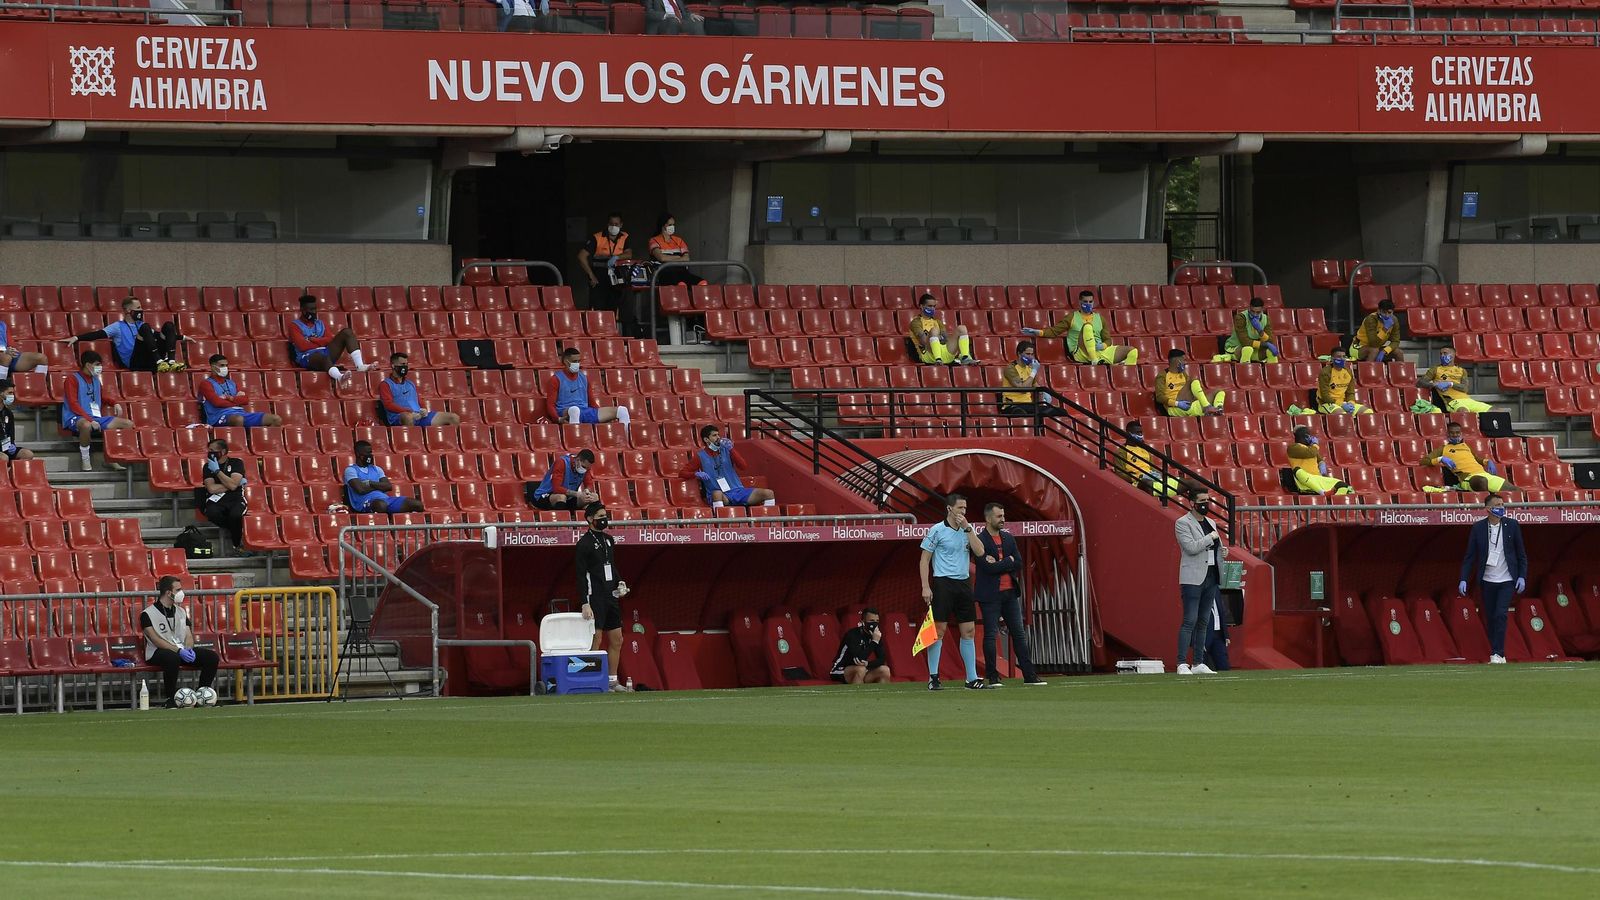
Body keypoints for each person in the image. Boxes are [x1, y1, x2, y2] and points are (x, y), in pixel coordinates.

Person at [918, 493, 988, 691]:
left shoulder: (968, 529)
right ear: (949, 509)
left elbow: (981, 552)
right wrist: (925, 586)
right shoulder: (937, 530)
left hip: (964, 583)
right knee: (938, 631)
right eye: (960, 508)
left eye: (965, 509)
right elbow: (924, 559)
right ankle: (933, 677)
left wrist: (968, 528)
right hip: (943, 583)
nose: (963, 512)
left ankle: (971, 678)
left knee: (969, 631)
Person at [974, 502, 1044, 687]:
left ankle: (1029, 675)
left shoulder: (1009, 538)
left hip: (1010, 593)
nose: (1003, 519)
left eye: (1003, 516)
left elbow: (1019, 562)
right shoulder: (980, 540)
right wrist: (1007, 562)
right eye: (999, 516)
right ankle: (993, 676)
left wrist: (1000, 562)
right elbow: (986, 567)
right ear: (988, 519)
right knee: (990, 635)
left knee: (1019, 634)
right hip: (990, 595)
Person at [1458, 493, 1528, 665]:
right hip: (1487, 580)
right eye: (1498, 504)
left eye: (1503, 504)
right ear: (1488, 509)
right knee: (1490, 616)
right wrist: (1464, 578)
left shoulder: (1512, 525)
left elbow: (1521, 555)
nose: (1501, 507)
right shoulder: (1478, 528)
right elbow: (1470, 556)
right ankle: (1495, 650)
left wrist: (1521, 576)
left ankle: (1499, 653)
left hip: (1507, 579)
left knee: (1501, 614)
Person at [576, 501, 632, 693]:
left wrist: (620, 582)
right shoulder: (583, 544)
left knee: (617, 638)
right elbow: (581, 575)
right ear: (590, 519)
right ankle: (591, 681)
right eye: (600, 516)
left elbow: (611, 566)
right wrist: (585, 602)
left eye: (605, 516)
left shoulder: (609, 540)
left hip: (611, 595)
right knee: (596, 639)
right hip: (595, 597)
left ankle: (612, 681)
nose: (604, 519)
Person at [141, 576, 219, 708]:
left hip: (180, 650)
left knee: (211, 657)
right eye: (178, 590)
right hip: (157, 652)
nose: (181, 593)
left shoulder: (181, 611)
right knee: (172, 658)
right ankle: (171, 698)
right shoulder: (147, 614)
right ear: (168, 593)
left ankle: (202, 695)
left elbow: (188, 634)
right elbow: (155, 639)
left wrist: (188, 649)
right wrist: (178, 651)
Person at [1173, 487, 1223, 675]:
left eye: (1207, 501)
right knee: (1190, 620)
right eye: (1202, 501)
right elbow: (1191, 547)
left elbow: (1216, 545)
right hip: (1193, 577)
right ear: (1192, 503)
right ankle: (1181, 662)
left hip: (1211, 574)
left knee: (1204, 620)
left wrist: (1221, 551)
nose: (1205, 505)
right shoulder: (1182, 523)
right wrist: (1210, 538)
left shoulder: (1210, 522)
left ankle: (1198, 663)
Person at [63, 296, 184, 373]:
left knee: (169, 325)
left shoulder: (140, 324)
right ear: (127, 310)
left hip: (148, 360)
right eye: (138, 307)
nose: (141, 310)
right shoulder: (117, 326)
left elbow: (158, 335)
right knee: (145, 327)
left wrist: (182, 337)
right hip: (135, 363)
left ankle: (171, 362)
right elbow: (98, 334)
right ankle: (160, 362)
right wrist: (76, 337)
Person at [1022, 290, 1137, 366]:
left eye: (1090, 302)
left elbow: (1108, 339)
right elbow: (1054, 331)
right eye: (1085, 302)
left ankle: (1123, 378)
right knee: (1087, 326)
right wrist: (1037, 332)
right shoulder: (1072, 317)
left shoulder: (1100, 318)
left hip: (1100, 351)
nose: (1088, 304)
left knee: (1132, 351)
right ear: (1080, 302)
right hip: (1081, 353)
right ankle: (1094, 361)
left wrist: (1103, 345)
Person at [61, 351, 132, 472]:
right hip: (75, 417)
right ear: (88, 365)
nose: (100, 367)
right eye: (97, 364)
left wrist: (115, 403)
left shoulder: (96, 380)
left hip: (95, 417)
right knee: (85, 425)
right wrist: (90, 420)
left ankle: (110, 458)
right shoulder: (72, 379)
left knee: (128, 424)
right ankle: (85, 459)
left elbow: (102, 396)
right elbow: (73, 404)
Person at [290, 294, 371, 384]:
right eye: (311, 309)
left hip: (325, 351)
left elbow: (329, 340)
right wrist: (322, 341)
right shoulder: (294, 326)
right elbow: (303, 346)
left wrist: (313, 340)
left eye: (315, 309)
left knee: (347, 332)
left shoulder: (320, 323)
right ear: (303, 310)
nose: (314, 312)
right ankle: (340, 377)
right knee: (322, 356)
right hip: (307, 357)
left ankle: (359, 366)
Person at [544, 347, 632, 427]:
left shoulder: (584, 378)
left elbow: (592, 403)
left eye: (579, 361)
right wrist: (557, 419)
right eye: (575, 361)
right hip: (566, 411)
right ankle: (575, 441)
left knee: (622, 410)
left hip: (585, 411)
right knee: (575, 410)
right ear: (566, 362)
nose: (577, 364)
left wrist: (601, 416)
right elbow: (550, 405)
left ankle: (627, 441)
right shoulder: (555, 379)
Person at [695, 424, 775, 509]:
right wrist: (696, 474)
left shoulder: (727, 450)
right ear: (706, 439)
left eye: (718, 435)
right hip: (721, 494)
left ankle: (767, 521)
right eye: (714, 435)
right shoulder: (700, 456)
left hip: (737, 491)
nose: (718, 437)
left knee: (768, 493)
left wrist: (731, 449)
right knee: (716, 494)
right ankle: (720, 521)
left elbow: (743, 466)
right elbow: (683, 473)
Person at [1426, 420, 1516, 494]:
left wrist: (1487, 461)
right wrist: (1440, 459)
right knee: (1482, 481)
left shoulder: (1466, 446)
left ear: (1461, 433)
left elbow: (1477, 459)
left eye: (1457, 432)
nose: (1455, 435)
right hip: (1468, 478)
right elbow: (1424, 461)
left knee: (1514, 490)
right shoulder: (1443, 449)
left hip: (1484, 474)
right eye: (1452, 433)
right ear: (1447, 434)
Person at [577, 213, 633, 331]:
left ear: (621, 225)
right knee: (598, 310)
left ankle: (611, 336)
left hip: (615, 278)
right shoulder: (597, 237)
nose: (614, 226)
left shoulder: (624, 237)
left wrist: (617, 257)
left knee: (613, 310)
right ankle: (597, 336)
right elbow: (581, 256)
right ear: (607, 225)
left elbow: (629, 253)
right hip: (599, 277)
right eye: (611, 224)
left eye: (616, 224)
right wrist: (591, 275)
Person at [198, 353, 283, 429]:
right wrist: (237, 400)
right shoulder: (206, 384)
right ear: (213, 367)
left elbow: (245, 400)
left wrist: (229, 398)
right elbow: (217, 403)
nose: (225, 368)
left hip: (240, 413)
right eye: (222, 365)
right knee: (238, 419)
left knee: (276, 419)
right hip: (219, 417)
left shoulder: (232, 383)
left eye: (226, 365)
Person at [378, 352, 460, 427]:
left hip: (418, 416)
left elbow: (417, 400)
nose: (405, 367)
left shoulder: (410, 383)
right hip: (399, 417)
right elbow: (388, 405)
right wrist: (409, 412)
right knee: (408, 417)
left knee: (453, 417)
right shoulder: (385, 384)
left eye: (406, 364)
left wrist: (424, 409)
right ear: (393, 365)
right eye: (402, 364)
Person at [343, 439, 425, 514]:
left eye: (371, 452)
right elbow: (360, 489)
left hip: (386, 500)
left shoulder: (377, 469)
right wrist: (379, 486)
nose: (370, 455)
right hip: (365, 503)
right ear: (358, 454)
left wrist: (369, 483)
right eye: (368, 453)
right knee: (381, 505)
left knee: (417, 504)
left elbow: (388, 486)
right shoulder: (350, 470)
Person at [200, 436, 248, 547]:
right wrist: (233, 484)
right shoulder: (207, 467)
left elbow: (233, 486)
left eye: (212, 451)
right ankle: (234, 530)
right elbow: (211, 488)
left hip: (236, 498)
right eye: (209, 450)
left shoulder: (236, 463)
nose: (209, 453)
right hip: (217, 499)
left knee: (235, 515)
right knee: (212, 513)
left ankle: (237, 545)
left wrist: (217, 471)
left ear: (223, 451)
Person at [998, 340, 1065, 419]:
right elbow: (1022, 389)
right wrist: (1033, 372)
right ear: (1019, 354)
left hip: (1028, 405)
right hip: (1013, 405)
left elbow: (1036, 386)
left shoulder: (1029, 368)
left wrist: (1043, 396)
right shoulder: (1011, 369)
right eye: (1027, 354)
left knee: (1061, 411)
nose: (1030, 357)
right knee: (1021, 413)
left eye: (1032, 354)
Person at [1116, 420, 1182, 498]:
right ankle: (1164, 495)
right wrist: (1137, 477)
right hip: (1139, 482)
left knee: (1187, 482)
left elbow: (1152, 468)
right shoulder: (1122, 451)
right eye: (1137, 433)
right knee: (1148, 483)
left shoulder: (1145, 449)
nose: (1140, 435)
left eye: (1141, 433)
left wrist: (1161, 475)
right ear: (1128, 433)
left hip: (1151, 478)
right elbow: (1119, 473)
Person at [908, 293, 976, 367]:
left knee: (962, 328)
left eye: (934, 306)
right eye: (929, 306)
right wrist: (936, 336)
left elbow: (945, 339)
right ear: (921, 306)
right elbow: (924, 341)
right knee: (934, 330)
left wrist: (937, 338)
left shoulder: (937, 321)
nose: (932, 309)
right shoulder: (915, 322)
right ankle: (938, 360)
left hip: (944, 353)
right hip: (928, 355)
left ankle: (965, 357)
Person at [1297, 347, 1371, 416]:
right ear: (1332, 359)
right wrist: (1341, 405)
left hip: (1344, 403)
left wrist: (1350, 403)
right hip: (1327, 403)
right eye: (1339, 356)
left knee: (1368, 412)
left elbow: (1350, 392)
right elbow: (1324, 395)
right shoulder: (1325, 372)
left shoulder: (1348, 372)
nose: (1342, 359)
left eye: (1343, 357)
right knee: (1342, 415)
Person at [1419, 346, 1491, 414]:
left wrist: (1451, 384)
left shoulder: (1462, 370)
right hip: (1452, 401)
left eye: (1445, 353)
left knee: (1493, 411)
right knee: (1463, 411)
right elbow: (1420, 382)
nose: (1442, 356)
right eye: (1440, 354)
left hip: (1467, 399)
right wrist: (1433, 384)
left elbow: (1465, 389)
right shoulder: (1435, 369)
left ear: (1453, 355)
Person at [1155, 348, 1225, 417]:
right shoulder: (1162, 376)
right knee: (1193, 380)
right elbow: (1159, 397)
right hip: (1175, 407)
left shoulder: (1183, 374)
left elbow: (1195, 390)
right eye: (1183, 360)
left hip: (1189, 403)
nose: (1185, 363)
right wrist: (1177, 403)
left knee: (1219, 391)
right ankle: (1207, 407)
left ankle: (1218, 409)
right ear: (1177, 361)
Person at [829, 608, 891, 685]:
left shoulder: (876, 635)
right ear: (863, 622)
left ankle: (882, 697)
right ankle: (857, 696)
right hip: (840, 669)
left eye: (877, 621)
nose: (874, 624)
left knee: (885, 670)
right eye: (871, 621)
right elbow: (858, 659)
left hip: (862, 669)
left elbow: (882, 659)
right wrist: (874, 642)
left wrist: (868, 664)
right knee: (860, 669)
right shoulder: (852, 634)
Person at [1287, 425, 1353, 496]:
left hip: (1318, 478)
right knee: (1297, 470)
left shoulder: (1311, 448)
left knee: (1345, 487)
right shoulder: (1293, 448)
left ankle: (1332, 503)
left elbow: (1319, 459)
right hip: (1306, 482)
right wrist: (1315, 444)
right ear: (1306, 437)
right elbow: (1311, 453)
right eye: (1309, 436)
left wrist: (1322, 465)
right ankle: (1322, 492)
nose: (1311, 438)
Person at [528, 448, 599, 511]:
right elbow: (557, 488)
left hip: (568, 498)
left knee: (594, 497)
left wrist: (587, 491)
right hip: (546, 495)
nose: (585, 470)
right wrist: (578, 494)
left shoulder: (585, 468)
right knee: (561, 497)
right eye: (584, 467)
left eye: (588, 468)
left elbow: (589, 483)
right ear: (577, 460)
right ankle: (559, 523)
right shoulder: (562, 463)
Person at [648, 213, 706, 288]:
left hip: (681, 272)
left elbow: (686, 258)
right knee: (681, 285)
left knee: (702, 283)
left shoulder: (679, 240)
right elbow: (662, 258)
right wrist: (679, 257)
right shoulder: (654, 240)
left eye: (673, 225)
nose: (672, 227)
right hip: (664, 273)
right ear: (663, 225)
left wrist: (670, 258)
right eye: (670, 225)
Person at [1223, 297, 1279, 364]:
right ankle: (1244, 372)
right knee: (1248, 349)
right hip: (1235, 348)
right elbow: (1245, 342)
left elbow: (1270, 340)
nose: (1255, 314)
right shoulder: (1241, 317)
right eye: (1252, 311)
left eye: (1258, 312)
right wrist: (1266, 344)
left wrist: (1260, 331)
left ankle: (1271, 373)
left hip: (1254, 349)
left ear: (1262, 310)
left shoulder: (1266, 319)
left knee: (1271, 352)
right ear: (1249, 308)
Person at [1352, 298, 1405, 363]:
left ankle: (1398, 372)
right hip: (1359, 347)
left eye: (1389, 313)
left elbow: (1396, 341)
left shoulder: (1394, 320)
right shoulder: (1371, 319)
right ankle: (1368, 371)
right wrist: (1385, 328)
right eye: (1384, 312)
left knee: (1399, 352)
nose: (1387, 315)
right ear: (1378, 311)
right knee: (1374, 350)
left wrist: (1384, 351)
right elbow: (1373, 343)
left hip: (1377, 347)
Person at [0, 379, 33, 463]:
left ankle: (11, 473)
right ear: (1, 393)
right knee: (3, 458)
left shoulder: (8, 413)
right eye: (10, 393)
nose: (12, 396)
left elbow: (11, 434)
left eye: (13, 393)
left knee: (27, 454)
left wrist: (12, 444)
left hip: (5, 448)